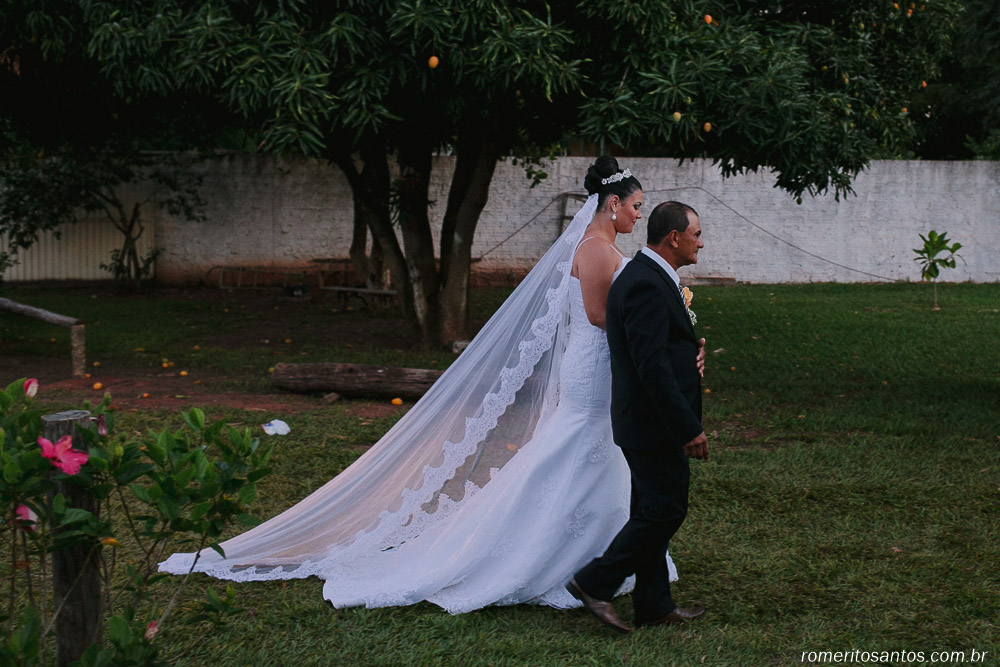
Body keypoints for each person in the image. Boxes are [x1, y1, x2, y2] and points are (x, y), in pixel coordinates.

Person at [159, 158, 693, 613]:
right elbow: (599, 316)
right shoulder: (596, 249)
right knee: (579, 452)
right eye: (635, 205)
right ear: (612, 204)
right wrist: (664, 325)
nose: (638, 214)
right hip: (593, 366)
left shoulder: (600, 245)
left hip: (598, 366)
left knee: (591, 456)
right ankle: (559, 561)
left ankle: (601, 559)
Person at [567, 201, 709, 633]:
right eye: (697, 234)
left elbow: (662, 348)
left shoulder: (651, 276)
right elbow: (650, 366)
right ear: (674, 238)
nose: (701, 242)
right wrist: (687, 428)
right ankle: (595, 581)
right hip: (651, 422)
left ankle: (653, 604)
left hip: (646, 420)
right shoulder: (645, 282)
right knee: (666, 509)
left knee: (651, 508)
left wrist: (691, 356)